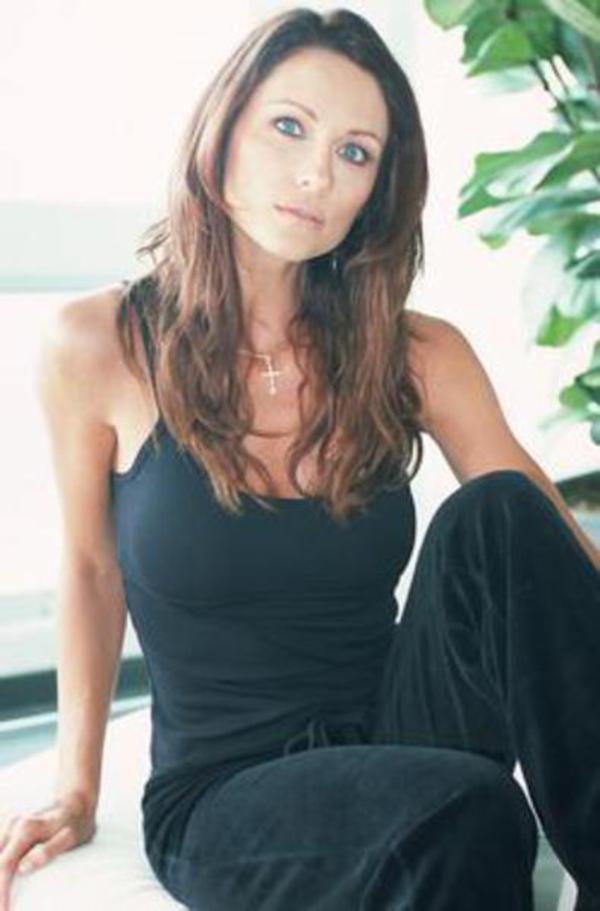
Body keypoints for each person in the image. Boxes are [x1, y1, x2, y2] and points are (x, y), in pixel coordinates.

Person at [1, 7, 599, 910]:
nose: (318, 173)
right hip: (227, 794)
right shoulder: (99, 344)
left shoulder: (415, 352)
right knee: (467, 806)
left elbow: (545, 547)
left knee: (500, 511)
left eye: (355, 152)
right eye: (290, 127)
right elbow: (90, 568)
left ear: (376, 191)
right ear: (223, 129)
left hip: (402, 727)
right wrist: (75, 790)